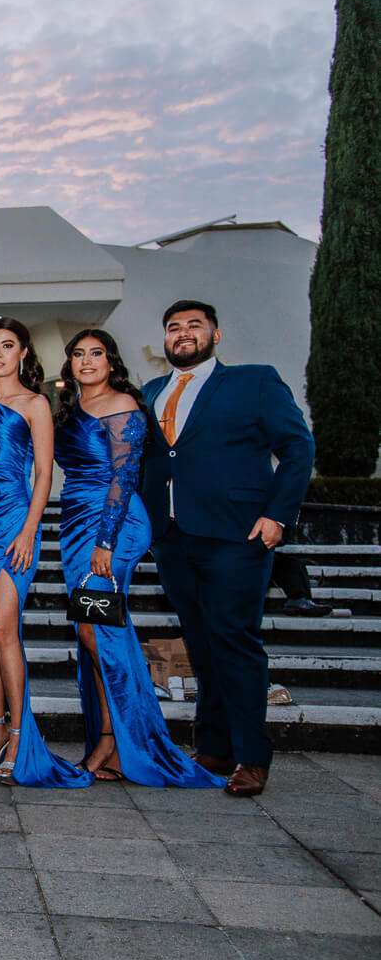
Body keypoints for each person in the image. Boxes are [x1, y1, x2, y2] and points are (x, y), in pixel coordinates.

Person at [141, 300, 315, 796]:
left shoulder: (254, 381)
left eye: (195, 325)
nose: (183, 333)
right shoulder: (152, 391)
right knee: (200, 642)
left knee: (235, 641)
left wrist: (278, 514)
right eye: (174, 327)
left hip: (239, 534)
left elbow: (298, 447)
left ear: (215, 336)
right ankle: (214, 748)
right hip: (171, 538)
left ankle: (251, 758)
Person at [55, 329, 222, 789]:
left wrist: (105, 543)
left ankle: (121, 743)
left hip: (114, 529)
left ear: (111, 362)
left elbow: (123, 479)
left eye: (97, 353)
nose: (86, 361)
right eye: (78, 354)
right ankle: (111, 741)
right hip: (75, 528)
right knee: (96, 634)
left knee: (99, 634)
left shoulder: (123, 406)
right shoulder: (69, 410)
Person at [0, 321, 90, 787]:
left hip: (13, 526)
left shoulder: (35, 404)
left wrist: (31, 530)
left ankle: (19, 735)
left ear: (23, 352)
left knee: (5, 629)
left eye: (7, 346)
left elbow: (44, 475)